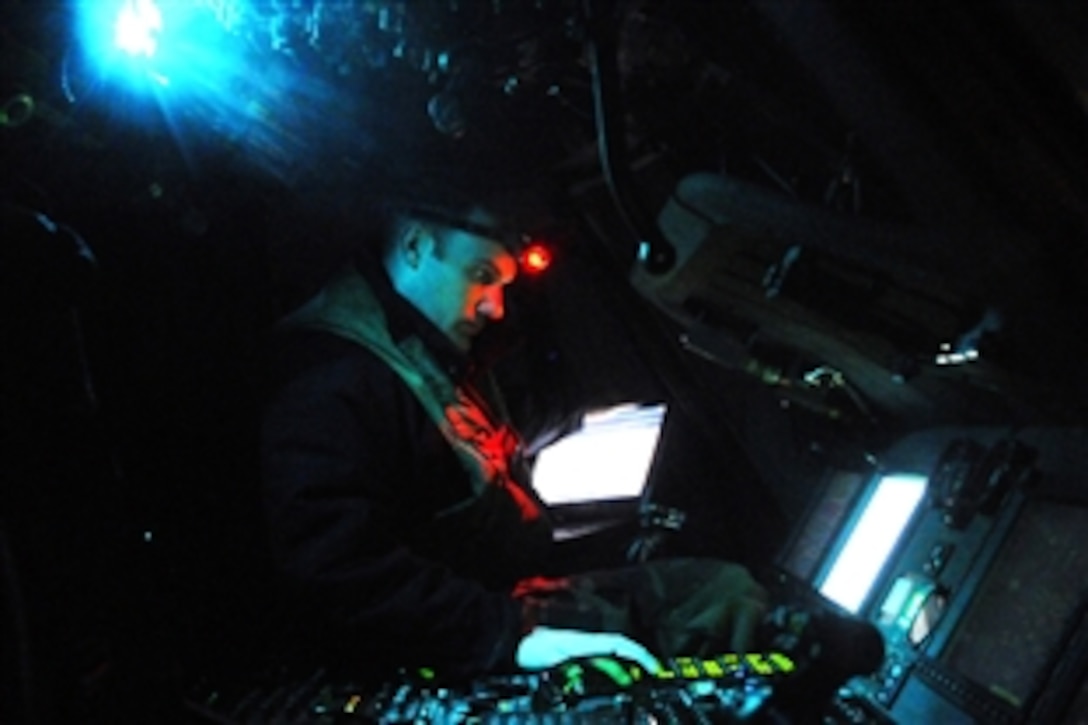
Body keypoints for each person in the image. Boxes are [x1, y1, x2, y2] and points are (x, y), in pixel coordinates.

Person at [259, 189, 771, 681]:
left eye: (503, 287)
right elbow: (336, 569)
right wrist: (508, 635)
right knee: (723, 601)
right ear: (414, 247)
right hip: (473, 623)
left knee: (721, 585)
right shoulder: (330, 382)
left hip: (506, 595)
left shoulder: (424, 350)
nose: (495, 308)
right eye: (482, 277)